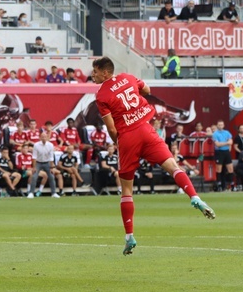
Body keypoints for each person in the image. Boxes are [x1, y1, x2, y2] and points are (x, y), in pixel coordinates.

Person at [92, 56, 215, 256]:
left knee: (126, 190)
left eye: (95, 72)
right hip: (147, 130)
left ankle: (129, 236)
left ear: (105, 72)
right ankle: (194, 196)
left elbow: (112, 129)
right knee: (173, 167)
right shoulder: (128, 77)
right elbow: (148, 91)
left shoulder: (102, 96)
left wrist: (118, 142)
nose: (93, 75)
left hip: (128, 137)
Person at [27, 132, 60, 198]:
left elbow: (51, 157)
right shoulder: (36, 145)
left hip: (47, 162)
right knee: (34, 176)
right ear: (40, 137)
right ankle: (31, 193)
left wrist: (51, 167)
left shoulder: (50, 145)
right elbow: (34, 157)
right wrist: (34, 167)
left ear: (47, 137)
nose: (44, 138)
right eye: (42, 137)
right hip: (38, 163)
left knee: (51, 176)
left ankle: (54, 193)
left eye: (45, 137)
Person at [212, 120, 234, 192]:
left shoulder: (227, 132)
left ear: (223, 125)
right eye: (219, 125)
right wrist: (226, 143)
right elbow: (217, 144)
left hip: (226, 152)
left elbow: (230, 142)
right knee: (219, 169)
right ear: (217, 125)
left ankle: (231, 185)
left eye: (222, 125)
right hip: (219, 152)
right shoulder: (215, 134)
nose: (220, 126)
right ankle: (219, 185)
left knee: (230, 168)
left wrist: (225, 143)